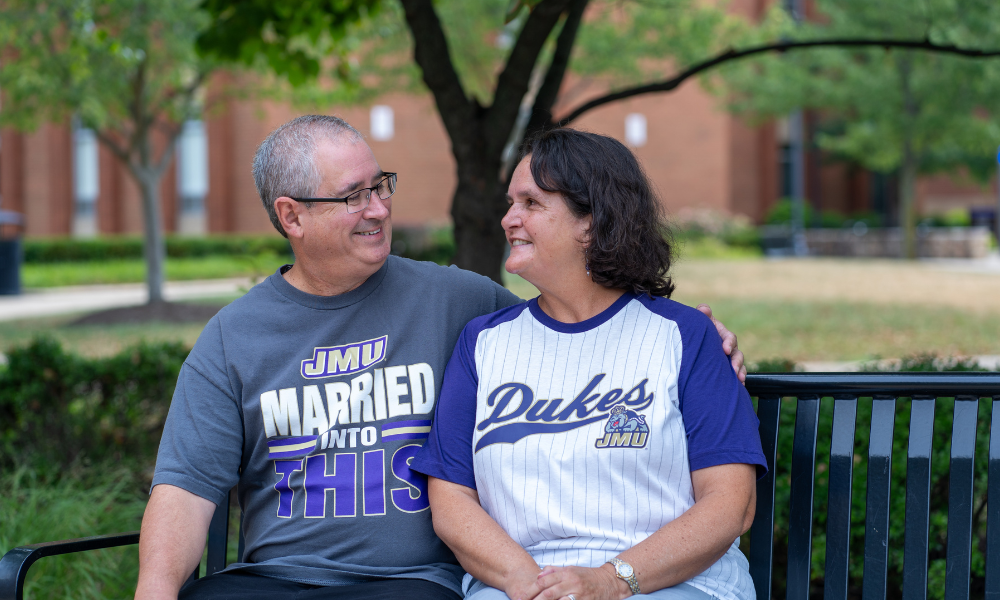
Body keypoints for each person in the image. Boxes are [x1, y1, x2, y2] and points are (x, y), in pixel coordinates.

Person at [135, 116, 747, 600]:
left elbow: (584, 313)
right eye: (353, 196)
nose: (378, 208)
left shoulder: (458, 303)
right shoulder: (233, 336)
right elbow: (185, 489)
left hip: (410, 584)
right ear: (290, 215)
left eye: (380, 186)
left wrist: (693, 335)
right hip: (277, 579)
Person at [411, 128, 767, 600]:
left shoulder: (683, 338)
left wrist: (610, 580)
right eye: (511, 202)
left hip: (673, 583)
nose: (508, 219)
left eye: (531, 204)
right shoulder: (483, 343)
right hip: (519, 585)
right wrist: (530, 583)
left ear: (592, 221)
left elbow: (730, 505)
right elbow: (452, 498)